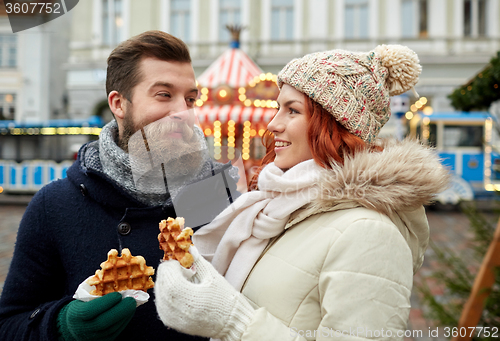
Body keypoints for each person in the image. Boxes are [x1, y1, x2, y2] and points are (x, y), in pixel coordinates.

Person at [154, 45, 450, 340]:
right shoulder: (276, 208)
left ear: (335, 125)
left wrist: (234, 323)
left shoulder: (371, 234)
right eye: (277, 108)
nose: (272, 124)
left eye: (292, 110)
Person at [0, 30, 237, 341]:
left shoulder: (226, 195)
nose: (184, 111)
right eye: (164, 94)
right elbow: (9, 325)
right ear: (119, 104)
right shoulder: (55, 205)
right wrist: (62, 325)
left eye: (190, 98)